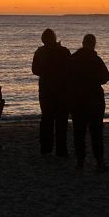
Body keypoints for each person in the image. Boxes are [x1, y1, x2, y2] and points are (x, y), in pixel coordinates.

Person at [67, 34, 109, 172]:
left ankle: (80, 161)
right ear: (93, 44)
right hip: (94, 100)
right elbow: (105, 77)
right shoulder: (96, 60)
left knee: (79, 132)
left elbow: (65, 78)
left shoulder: (73, 59)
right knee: (96, 132)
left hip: (76, 100)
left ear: (83, 43)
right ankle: (99, 161)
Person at [31, 28, 71, 156]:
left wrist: (45, 71)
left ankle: (46, 148)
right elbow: (71, 69)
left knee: (47, 119)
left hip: (46, 89)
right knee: (61, 121)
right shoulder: (64, 51)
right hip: (62, 90)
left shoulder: (40, 52)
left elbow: (35, 70)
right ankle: (61, 149)